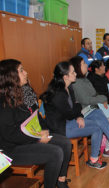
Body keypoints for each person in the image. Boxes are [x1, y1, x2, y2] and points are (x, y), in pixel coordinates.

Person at [40, 62, 109, 170]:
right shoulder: (58, 93)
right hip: (60, 127)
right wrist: (77, 114)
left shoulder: (69, 87)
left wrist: (79, 115)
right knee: (96, 127)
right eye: (73, 72)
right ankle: (107, 149)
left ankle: (108, 148)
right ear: (65, 77)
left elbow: (76, 107)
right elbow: (71, 111)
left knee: (98, 120)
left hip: (69, 120)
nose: (75, 74)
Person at [0, 59, 71, 188]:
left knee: (65, 142)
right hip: (10, 149)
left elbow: (34, 117)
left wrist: (43, 130)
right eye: (21, 70)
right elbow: (9, 134)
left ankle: (61, 180)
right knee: (55, 153)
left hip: (29, 138)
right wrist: (37, 136)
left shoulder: (22, 94)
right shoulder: (3, 102)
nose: (26, 73)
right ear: (11, 77)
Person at [69, 56, 109, 158]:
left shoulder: (85, 79)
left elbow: (94, 94)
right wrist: (102, 99)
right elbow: (85, 100)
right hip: (85, 111)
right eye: (83, 63)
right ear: (77, 67)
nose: (87, 65)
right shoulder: (76, 82)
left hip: (93, 107)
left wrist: (102, 99)